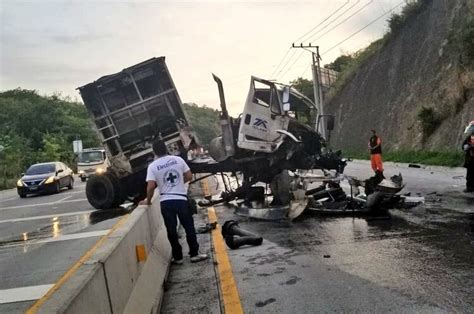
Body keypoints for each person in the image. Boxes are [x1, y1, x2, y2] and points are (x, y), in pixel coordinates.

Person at [143, 139, 208, 264]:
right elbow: (189, 176)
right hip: (181, 199)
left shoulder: (152, 166)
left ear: (154, 152)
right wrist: (178, 185)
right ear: (166, 148)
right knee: (189, 227)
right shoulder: (178, 160)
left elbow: (151, 186)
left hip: (166, 202)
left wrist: (148, 201)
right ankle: (194, 254)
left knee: (171, 230)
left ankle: (178, 257)